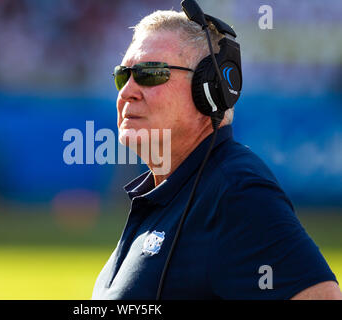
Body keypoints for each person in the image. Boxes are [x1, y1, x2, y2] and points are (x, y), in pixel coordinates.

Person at [91, 9, 342, 300]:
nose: (127, 92)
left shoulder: (237, 191)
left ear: (209, 89)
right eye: (123, 76)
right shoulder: (169, 191)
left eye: (150, 74)